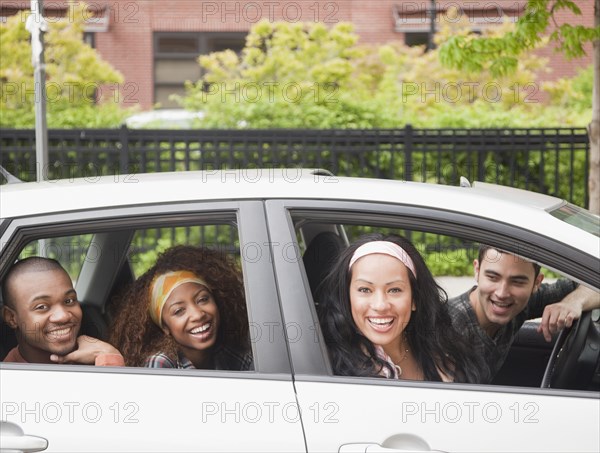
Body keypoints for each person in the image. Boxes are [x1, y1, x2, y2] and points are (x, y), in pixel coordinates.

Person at [318, 233, 487, 383]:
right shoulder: (330, 368)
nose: (380, 305)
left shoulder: (442, 351)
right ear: (347, 298)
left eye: (394, 290)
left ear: (415, 298)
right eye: (364, 290)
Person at [448, 245, 600, 381]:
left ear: (536, 283)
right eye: (492, 277)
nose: (502, 293)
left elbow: (593, 280)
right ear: (477, 271)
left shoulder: (522, 303)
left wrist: (573, 302)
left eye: (517, 282)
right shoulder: (447, 327)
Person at [110, 245, 253, 370]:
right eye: (179, 311)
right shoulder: (161, 363)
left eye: (203, 299)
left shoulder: (228, 354)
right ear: (165, 326)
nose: (197, 315)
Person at [1, 257, 124, 366]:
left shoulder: (95, 357)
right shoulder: (9, 379)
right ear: (11, 317)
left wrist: (106, 356)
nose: (63, 316)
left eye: (69, 301)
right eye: (42, 307)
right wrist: (110, 360)